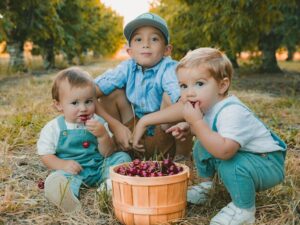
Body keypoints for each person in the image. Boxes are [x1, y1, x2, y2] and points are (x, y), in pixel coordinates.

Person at [132, 48, 286, 225]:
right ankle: (207, 187)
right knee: (201, 146)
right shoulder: (208, 105)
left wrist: (196, 124)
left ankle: (243, 209)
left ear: (222, 85)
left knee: (231, 165)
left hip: (267, 163)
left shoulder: (232, 112)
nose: (189, 92)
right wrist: (188, 127)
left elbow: (225, 151)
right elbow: (207, 126)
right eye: (184, 86)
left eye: (199, 83)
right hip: (248, 156)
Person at [94, 12, 193, 160]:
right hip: (134, 136)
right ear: (130, 51)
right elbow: (88, 93)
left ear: (167, 50)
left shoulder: (169, 69)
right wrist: (115, 125)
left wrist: (145, 122)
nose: (146, 44)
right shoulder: (127, 67)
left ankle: (182, 158)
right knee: (111, 93)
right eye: (138, 39)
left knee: (171, 98)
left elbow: (187, 107)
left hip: (165, 135)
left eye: (154, 39)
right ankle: (124, 149)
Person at [37, 67, 131, 213]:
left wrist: (103, 136)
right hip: (74, 171)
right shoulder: (54, 128)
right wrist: (62, 164)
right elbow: (45, 155)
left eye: (88, 101)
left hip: (99, 167)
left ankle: (108, 187)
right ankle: (66, 196)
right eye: (75, 103)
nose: (83, 108)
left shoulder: (98, 121)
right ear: (58, 105)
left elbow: (107, 153)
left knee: (122, 158)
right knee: (59, 177)